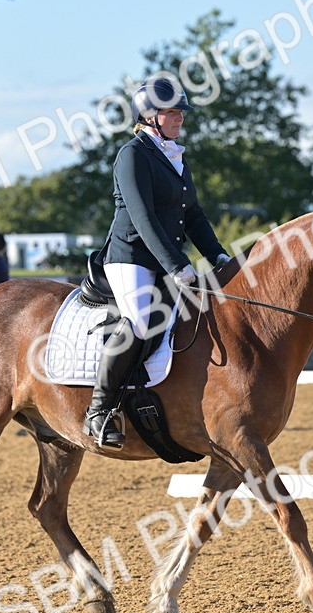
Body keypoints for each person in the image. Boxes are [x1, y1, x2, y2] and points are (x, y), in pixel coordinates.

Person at [83, 76, 232, 448]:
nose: (180, 117)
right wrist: (177, 264)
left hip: (166, 261)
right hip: (131, 257)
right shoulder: (131, 156)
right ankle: (98, 412)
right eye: (172, 112)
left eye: (181, 110)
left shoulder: (175, 157)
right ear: (149, 117)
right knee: (139, 320)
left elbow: (194, 216)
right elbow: (143, 217)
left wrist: (219, 256)